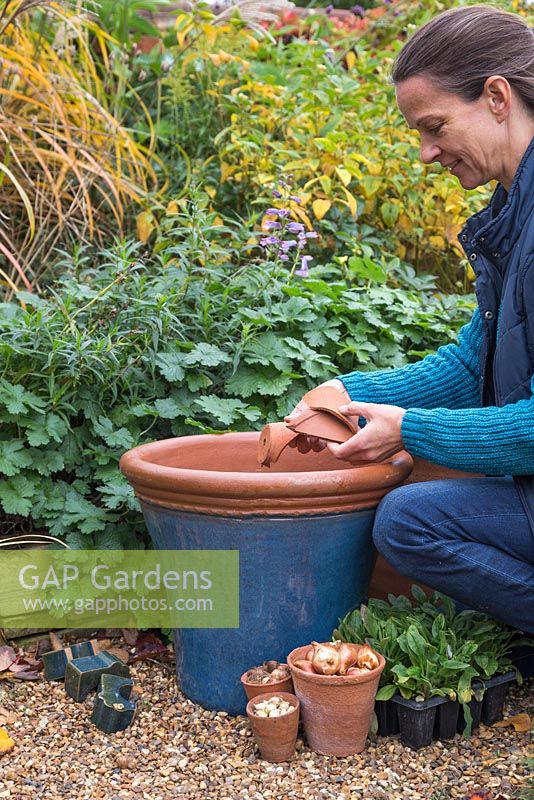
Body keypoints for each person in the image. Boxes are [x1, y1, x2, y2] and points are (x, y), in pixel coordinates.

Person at [287, 5, 534, 633]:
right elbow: (473, 359)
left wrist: (409, 429)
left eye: (435, 126)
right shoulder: (517, 214)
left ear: (497, 98)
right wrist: (353, 394)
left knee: (411, 519)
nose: (427, 153)